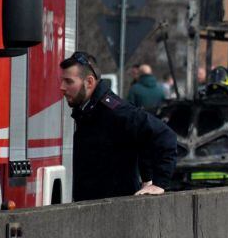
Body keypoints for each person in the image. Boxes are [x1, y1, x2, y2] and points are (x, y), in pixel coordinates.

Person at [59, 52, 178, 201]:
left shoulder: (115, 111)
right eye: (62, 81)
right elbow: (139, 142)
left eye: (68, 81)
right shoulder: (86, 111)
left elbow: (164, 136)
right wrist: (146, 177)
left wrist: (159, 183)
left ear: (89, 82)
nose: (62, 87)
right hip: (91, 207)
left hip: (114, 211)